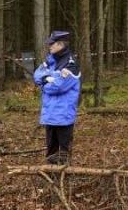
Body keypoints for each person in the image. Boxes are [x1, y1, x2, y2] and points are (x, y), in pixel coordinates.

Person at [33, 31, 82, 165]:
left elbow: (58, 87)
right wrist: (47, 79)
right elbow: (37, 74)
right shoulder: (50, 61)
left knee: (64, 153)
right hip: (50, 115)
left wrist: (44, 84)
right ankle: (51, 178)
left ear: (60, 44)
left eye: (51, 44)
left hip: (63, 116)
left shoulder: (71, 65)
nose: (49, 46)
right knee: (51, 152)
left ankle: (64, 179)